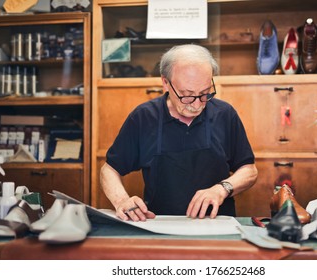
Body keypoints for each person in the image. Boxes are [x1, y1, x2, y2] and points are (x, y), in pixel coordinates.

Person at [100, 44, 258, 222]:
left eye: (205, 93)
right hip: (160, 225)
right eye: (187, 95)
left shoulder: (224, 114)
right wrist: (121, 201)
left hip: (217, 223)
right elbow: (110, 170)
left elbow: (249, 170)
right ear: (165, 83)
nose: (197, 104)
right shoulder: (144, 117)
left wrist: (222, 189)